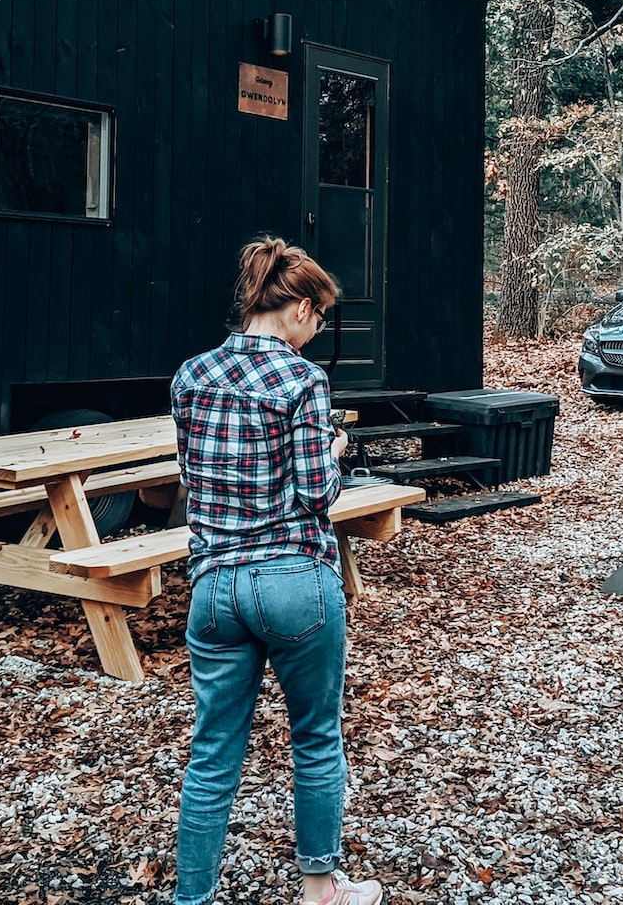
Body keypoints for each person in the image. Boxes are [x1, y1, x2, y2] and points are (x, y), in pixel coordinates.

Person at [169, 237, 382, 905]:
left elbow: (192, 476)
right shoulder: (301, 381)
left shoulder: (191, 375)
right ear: (296, 307)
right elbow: (318, 495)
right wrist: (333, 448)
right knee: (315, 740)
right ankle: (320, 889)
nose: (315, 334)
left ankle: (193, 897)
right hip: (292, 580)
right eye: (317, 319)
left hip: (214, 585)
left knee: (211, 754)